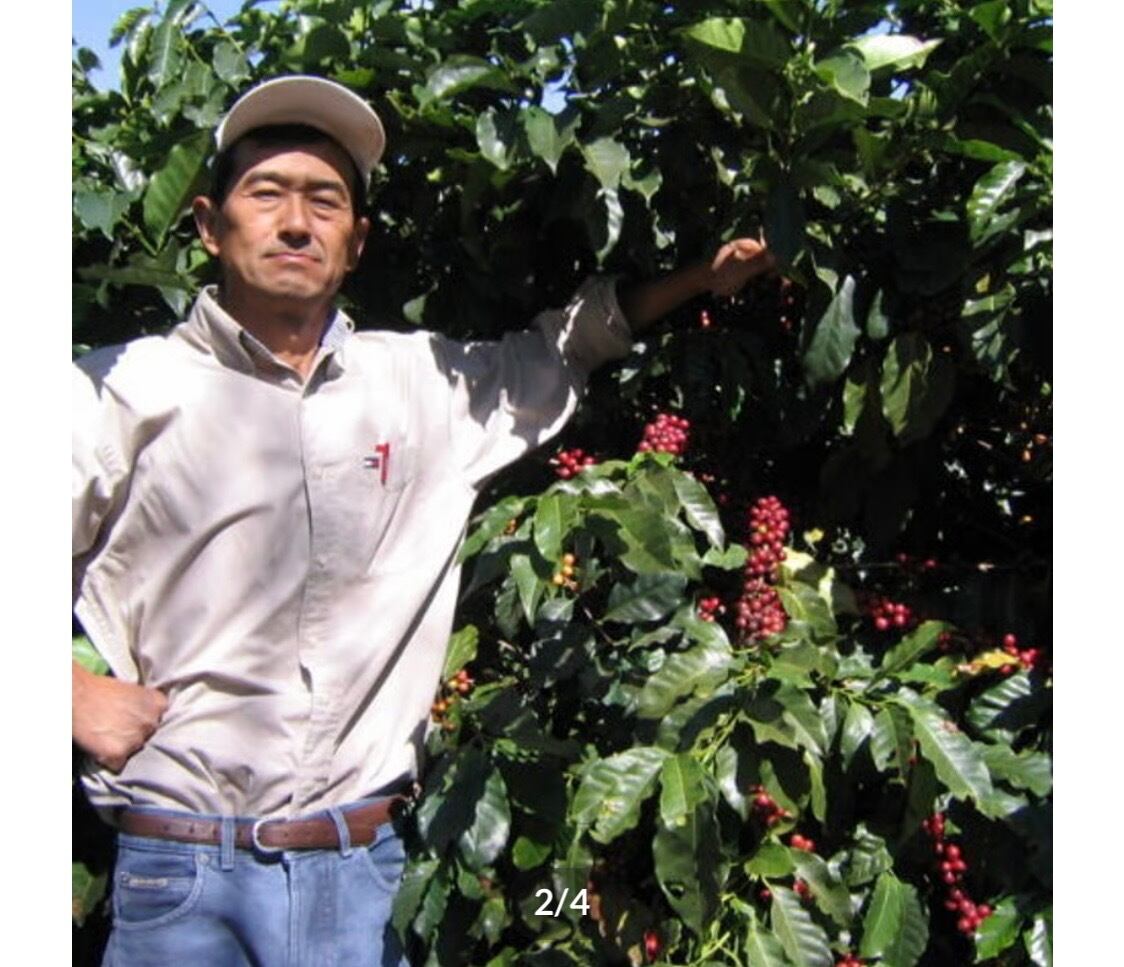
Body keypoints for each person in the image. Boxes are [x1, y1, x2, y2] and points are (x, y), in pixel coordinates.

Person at [72, 75, 775, 965]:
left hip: (367, 874)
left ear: (358, 241)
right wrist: (65, 693)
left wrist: (702, 278)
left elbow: (562, 349)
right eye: (266, 194)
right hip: (183, 878)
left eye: (325, 202)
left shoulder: (420, 385)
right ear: (209, 224)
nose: (297, 224)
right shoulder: (117, 392)